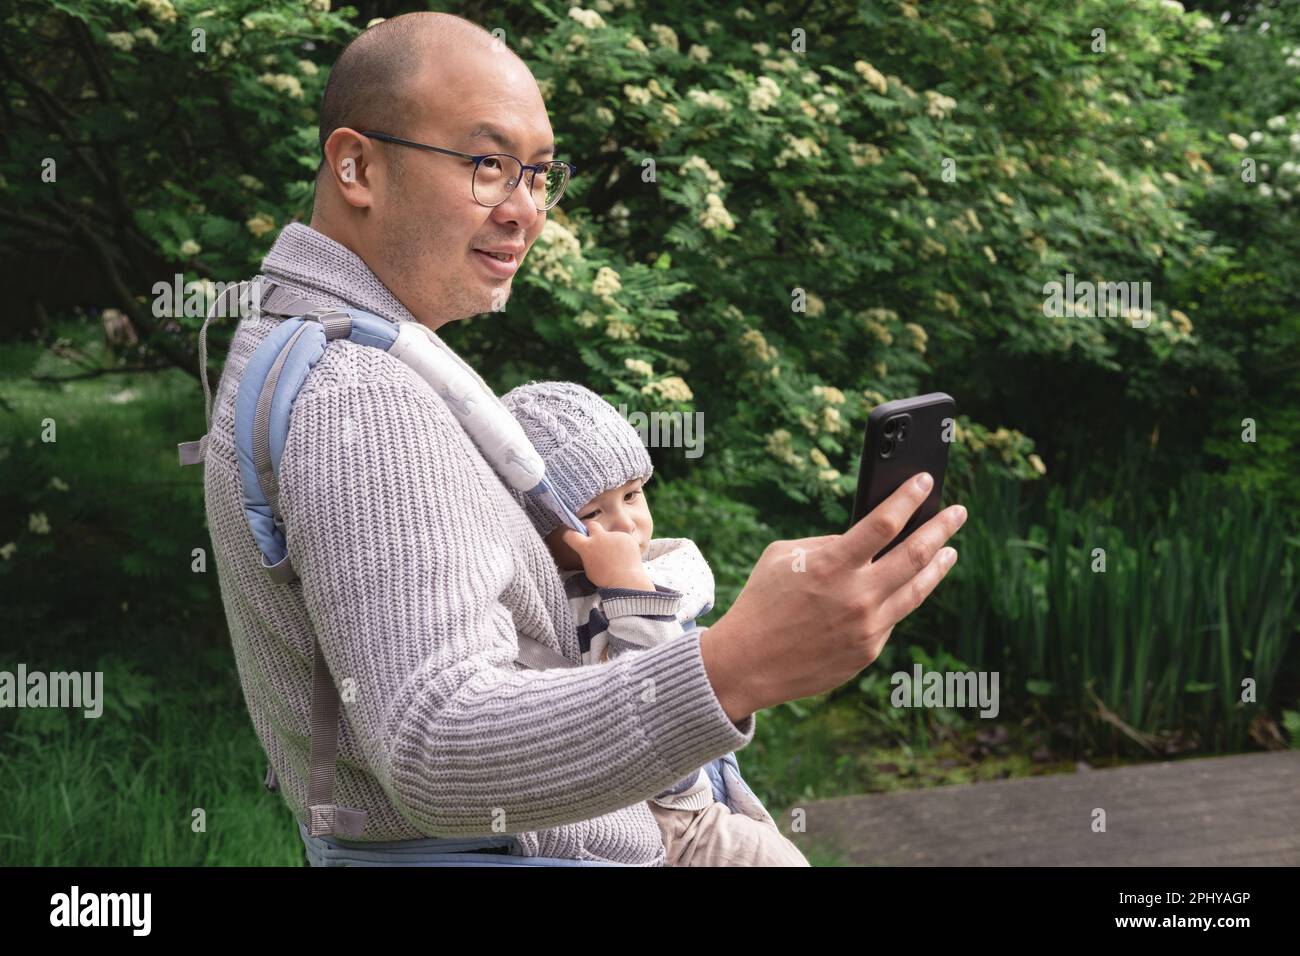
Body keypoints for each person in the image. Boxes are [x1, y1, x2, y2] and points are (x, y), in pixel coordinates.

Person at [203, 11, 967, 866]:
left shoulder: (291, 335)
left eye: (538, 175)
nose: (526, 212)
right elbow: (433, 745)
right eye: (488, 166)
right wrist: (733, 666)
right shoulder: (359, 393)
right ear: (356, 165)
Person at [500, 380, 810, 865]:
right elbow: (648, 705)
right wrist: (628, 591)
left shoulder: (665, 575)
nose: (625, 523)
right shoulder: (561, 607)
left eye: (632, 495)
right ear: (539, 532)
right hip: (650, 819)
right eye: (592, 512)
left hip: (696, 804)